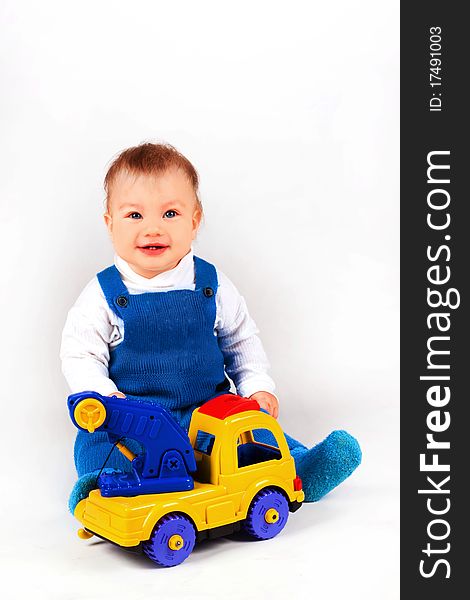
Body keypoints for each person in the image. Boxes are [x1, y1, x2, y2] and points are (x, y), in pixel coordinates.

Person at [61, 143, 361, 511]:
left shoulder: (213, 285)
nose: (153, 228)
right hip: (135, 421)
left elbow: (241, 340)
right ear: (110, 224)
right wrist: (101, 395)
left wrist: (256, 387)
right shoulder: (101, 295)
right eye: (134, 215)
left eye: (170, 213)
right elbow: (80, 352)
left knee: (255, 435)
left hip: (208, 412)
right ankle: (100, 489)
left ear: (194, 220)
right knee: (101, 449)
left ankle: (301, 469)